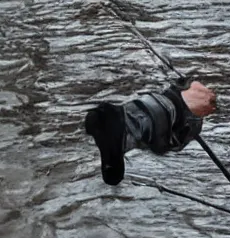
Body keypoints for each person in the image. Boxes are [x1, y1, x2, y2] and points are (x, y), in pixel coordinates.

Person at [85, 79, 217, 185]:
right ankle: (125, 131)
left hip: (164, 100)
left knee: (149, 121)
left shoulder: (188, 85)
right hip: (174, 110)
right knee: (163, 140)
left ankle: (124, 124)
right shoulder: (198, 115)